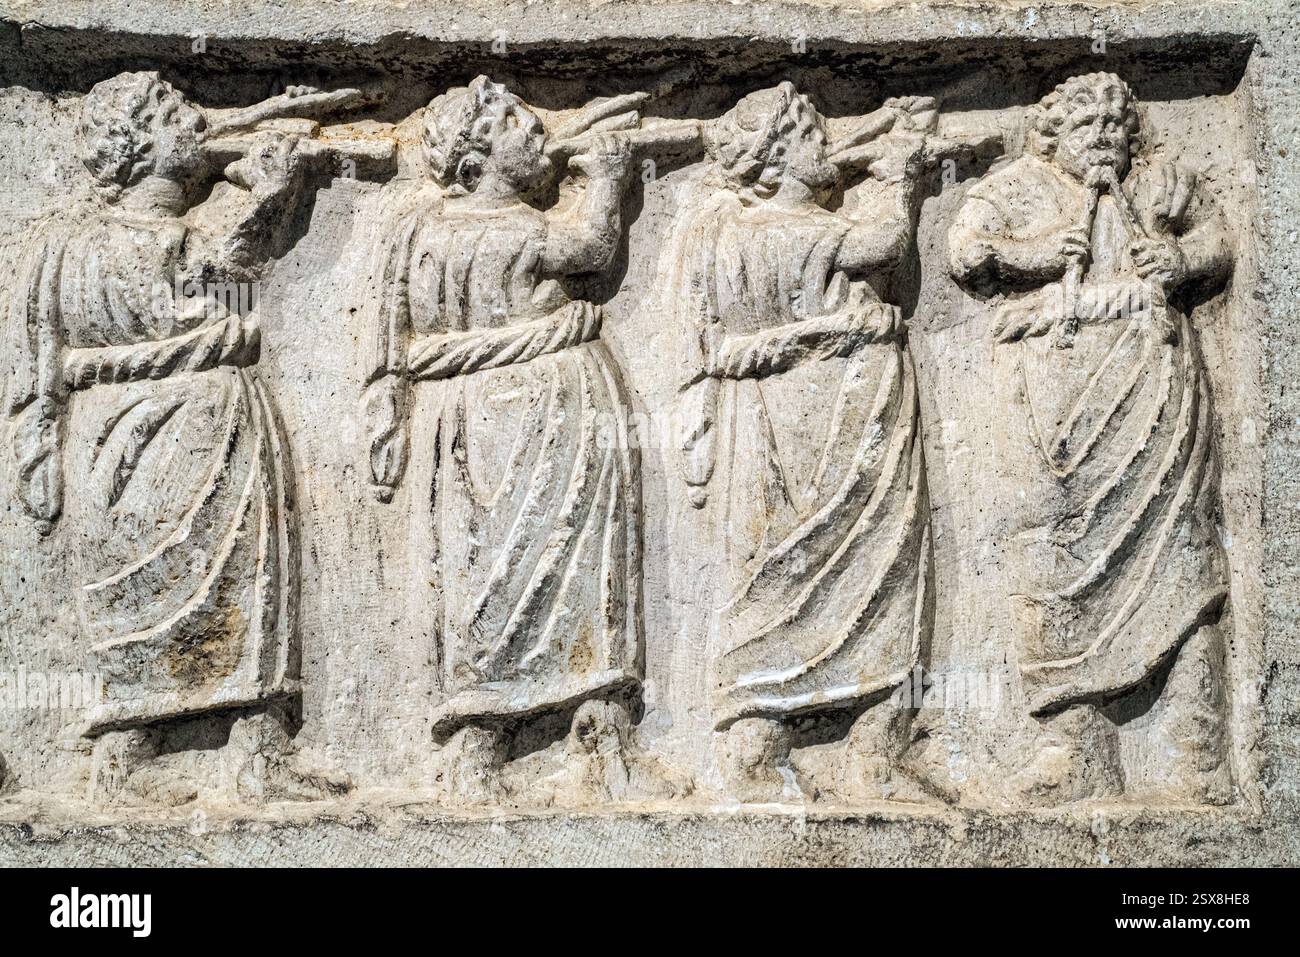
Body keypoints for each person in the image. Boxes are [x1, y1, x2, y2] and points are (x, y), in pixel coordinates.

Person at [3, 72, 349, 805]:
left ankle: (258, 749)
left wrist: (261, 180)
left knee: (247, 586)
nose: (192, 121)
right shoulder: (93, 247)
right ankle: (125, 759)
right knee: (143, 596)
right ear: (134, 148)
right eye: (170, 114)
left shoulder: (132, 241)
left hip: (198, 432)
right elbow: (210, 304)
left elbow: (230, 306)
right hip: (146, 437)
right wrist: (263, 199)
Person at [948, 73, 1235, 803]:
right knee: (1055, 560)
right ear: (1052, 133)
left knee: (1183, 556)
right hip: (1056, 403)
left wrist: (1183, 260)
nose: (1104, 137)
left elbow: (1217, 239)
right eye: (1086, 125)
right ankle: (1075, 747)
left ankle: (1198, 751)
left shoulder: (1161, 183)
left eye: (1115, 124)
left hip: (1155, 386)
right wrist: (1034, 252)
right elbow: (964, 251)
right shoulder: (1013, 187)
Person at [363, 77, 649, 801]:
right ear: (475, 164)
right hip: (548, 411)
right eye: (521, 126)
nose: (539, 134)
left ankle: (478, 748)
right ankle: (591, 732)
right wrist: (610, 179)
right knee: (567, 568)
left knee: (476, 575)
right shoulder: (516, 227)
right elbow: (590, 246)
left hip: (463, 423)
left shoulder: (423, 234)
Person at [661, 83, 935, 800]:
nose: (829, 149)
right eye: (815, 138)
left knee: (772, 574)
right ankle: (865, 748)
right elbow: (885, 241)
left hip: (775, 422)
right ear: (776, 156)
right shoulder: (792, 228)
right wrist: (900, 174)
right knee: (866, 568)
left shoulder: (723, 233)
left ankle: (765, 745)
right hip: (837, 411)